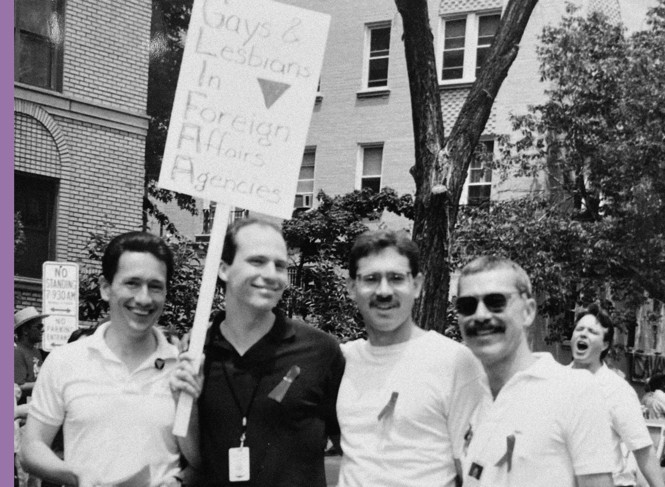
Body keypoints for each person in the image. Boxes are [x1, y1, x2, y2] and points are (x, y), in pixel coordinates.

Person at [171, 217, 345, 487]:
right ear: (224, 269)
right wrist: (188, 404)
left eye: (280, 265)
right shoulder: (194, 353)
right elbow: (196, 461)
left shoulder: (320, 351)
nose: (272, 274)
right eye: (257, 261)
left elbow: (352, 449)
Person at [20, 231, 182, 487]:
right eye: (132, 283)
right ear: (106, 288)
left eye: (155, 286)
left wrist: (179, 481)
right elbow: (31, 447)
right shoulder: (66, 360)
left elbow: (200, 458)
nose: (143, 298)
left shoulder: (183, 367)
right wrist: (76, 474)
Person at [335, 229, 487, 487]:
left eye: (396, 278)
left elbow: (474, 470)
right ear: (352, 287)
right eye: (371, 279)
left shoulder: (454, 361)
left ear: (416, 285)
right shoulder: (340, 360)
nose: (384, 291)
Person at [457, 256, 615, 487]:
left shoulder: (574, 391)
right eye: (467, 306)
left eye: (496, 302)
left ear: (528, 311)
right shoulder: (464, 395)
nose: (480, 315)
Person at [571, 303, 665, 487]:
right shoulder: (556, 382)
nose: (582, 334)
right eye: (579, 329)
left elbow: (643, 450)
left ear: (605, 344)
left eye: (591, 331)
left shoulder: (617, 391)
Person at [14, 307, 48, 403]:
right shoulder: (17, 352)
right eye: (39, 326)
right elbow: (18, 386)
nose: (43, 330)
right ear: (25, 330)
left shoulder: (36, 352)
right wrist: (46, 383)